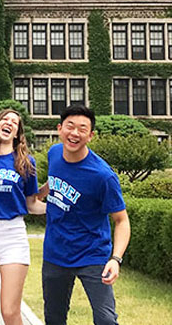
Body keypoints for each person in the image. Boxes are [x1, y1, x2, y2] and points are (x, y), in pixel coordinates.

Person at [41, 104, 131, 325]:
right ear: (60, 129)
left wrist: (116, 259)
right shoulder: (54, 153)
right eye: (70, 126)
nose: (74, 133)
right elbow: (53, 183)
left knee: (106, 320)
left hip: (92, 254)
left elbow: (121, 221)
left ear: (90, 136)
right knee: (54, 317)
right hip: (55, 253)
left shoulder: (102, 176)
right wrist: (37, 195)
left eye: (82, 129)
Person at [0, 109, 46, 325]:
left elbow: (31, 204)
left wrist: (59, 208)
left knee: (10, 311)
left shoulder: (25, 162)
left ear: (17, 133)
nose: (9, 123)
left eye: (14, 122)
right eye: (5, 119)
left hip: (12, 235)